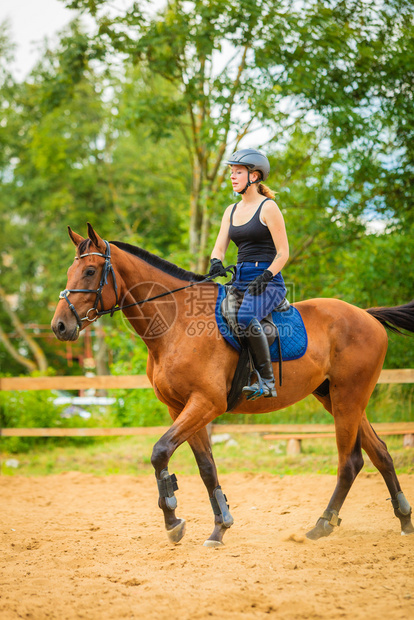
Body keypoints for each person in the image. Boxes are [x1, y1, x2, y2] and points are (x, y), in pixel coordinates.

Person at [208, 148, 289, 400]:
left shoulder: (268, 208)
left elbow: (284, 253)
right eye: (231, 172)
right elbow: (220, 246)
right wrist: (215, 262)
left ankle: (267, 382)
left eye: (238, 172)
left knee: (244, 316)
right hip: (240, 279)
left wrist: (265, 276)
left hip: (269, 282)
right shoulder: (231, 211)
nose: (232, 177)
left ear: (254, 176)